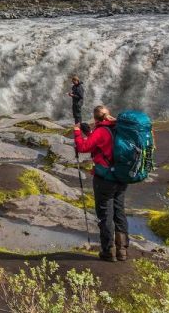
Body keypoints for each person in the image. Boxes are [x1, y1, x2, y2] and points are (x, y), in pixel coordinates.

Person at [74, 105, 128, 262]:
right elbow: (106, 143)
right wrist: (89, 132)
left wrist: (77, 132)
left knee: (105, 214)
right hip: (121, 176)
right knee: (119, 212)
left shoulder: (100, 131)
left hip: (105, 178)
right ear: (109, 115)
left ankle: (108, 250)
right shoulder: (119, 128)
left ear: (95, 118)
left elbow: (83, 147)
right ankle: (122, 250)